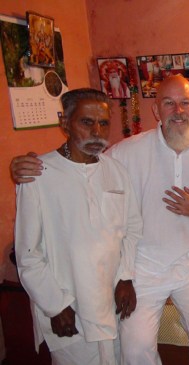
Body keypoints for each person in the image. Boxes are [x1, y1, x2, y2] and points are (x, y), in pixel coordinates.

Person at [11, 75, 189, 365]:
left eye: (186, 103)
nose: (178, 110)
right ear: (156, 110)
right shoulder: (124, 153)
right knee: (134, 349)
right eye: (169, 103)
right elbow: (83, 169)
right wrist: (23, 169)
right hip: (145, 265)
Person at [14, 88, 143, 364]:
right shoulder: (38, 174)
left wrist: (126, 275)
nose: (97, 131)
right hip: (68, 305)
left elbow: (132, 229)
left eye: (104, 123)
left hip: (112, 301)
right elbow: (28, 253)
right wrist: (54, 305)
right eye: (87, 122)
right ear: (65, 123)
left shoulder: (116, 171)